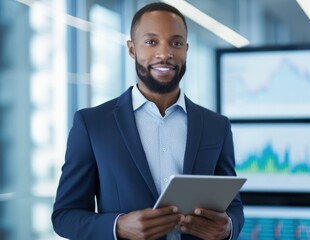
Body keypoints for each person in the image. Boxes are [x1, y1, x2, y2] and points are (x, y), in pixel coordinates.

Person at [51, 2, 244, 240]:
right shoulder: (92, 124)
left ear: (186, 49)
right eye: (151, 42)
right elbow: (64, 216)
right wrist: (118, 226)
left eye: (176, 43)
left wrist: (228, 228)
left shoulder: (217, 126)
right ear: (132, 49)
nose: (165, 54)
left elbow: (233, 207)